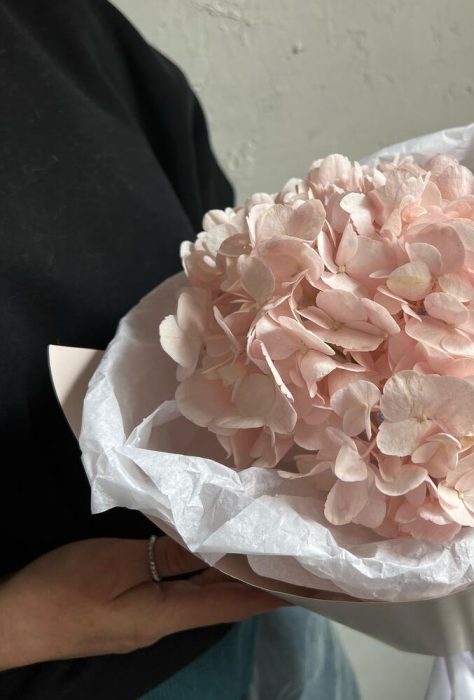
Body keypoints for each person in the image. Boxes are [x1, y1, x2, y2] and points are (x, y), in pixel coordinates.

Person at [0, 2, 360, 698]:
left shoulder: (49, 19)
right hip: (68, 677)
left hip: (267, 605)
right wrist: (20, 627)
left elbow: (217, 257)